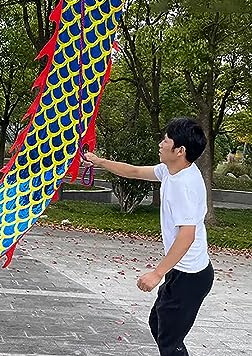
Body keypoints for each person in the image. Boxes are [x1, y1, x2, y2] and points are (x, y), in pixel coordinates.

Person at [84, 117, 214, 356]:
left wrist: (156, 273)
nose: (161, 143)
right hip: (182, 271)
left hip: (191, 277)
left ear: (180, 150)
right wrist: (98, 161)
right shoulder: (171, 170)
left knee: (170, 341)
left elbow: (187, 236)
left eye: (166, 140)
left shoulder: (185, 185)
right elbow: (133, 171)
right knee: (158, 324)